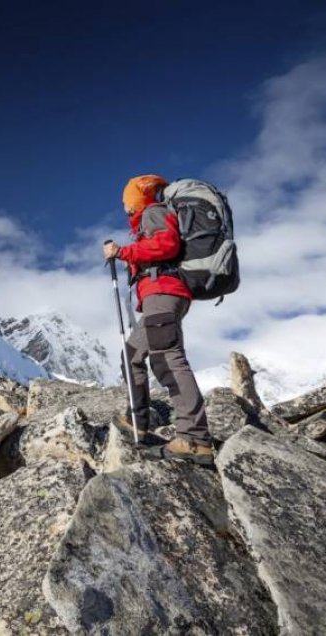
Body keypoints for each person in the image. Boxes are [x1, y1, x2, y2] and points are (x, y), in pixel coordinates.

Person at [102, 174, 214, 465]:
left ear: (136, 200)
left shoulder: (153, 213)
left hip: (163, 293)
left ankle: (194, 439)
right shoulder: (150, 219)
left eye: (127, 201)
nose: (125, 207)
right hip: (158, 297)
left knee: (167, 358)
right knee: (132, 355)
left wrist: (123, 252)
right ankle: (137, 421)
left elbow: (167, 246)